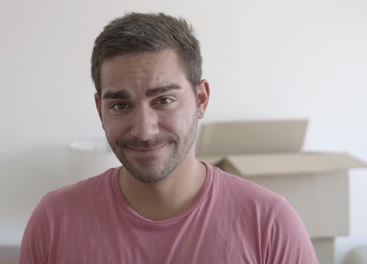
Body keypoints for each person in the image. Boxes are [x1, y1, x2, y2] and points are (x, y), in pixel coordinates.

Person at [20, 12, 318, 263]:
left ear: (201, 99)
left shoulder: (270, 223)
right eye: (120, 105)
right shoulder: (54, 221)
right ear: (100, 110)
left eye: (163, 100)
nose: (144, 131)